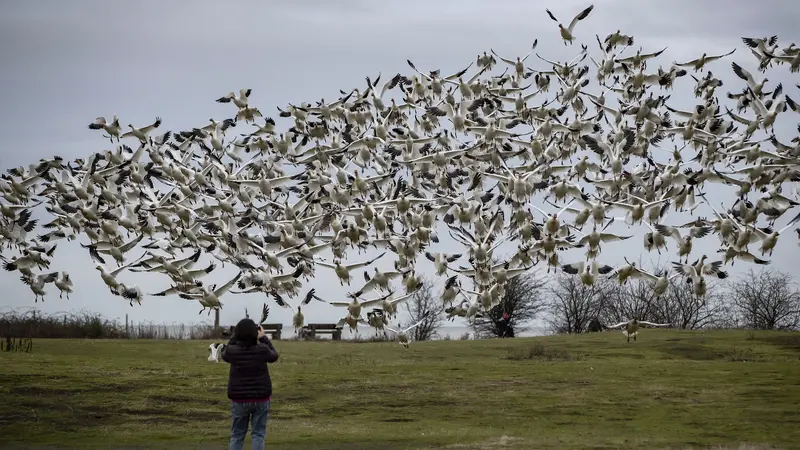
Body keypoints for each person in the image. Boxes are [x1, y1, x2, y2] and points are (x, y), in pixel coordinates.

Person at [222, 318, 279, 450]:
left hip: (239, 399)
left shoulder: (232, 351)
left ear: (237, 334)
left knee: (237, 435)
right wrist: (264, 338)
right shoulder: (262, 349)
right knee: (258, 434)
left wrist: (235, 336)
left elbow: (225, 353)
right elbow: (274, 356)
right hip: (261, 398)